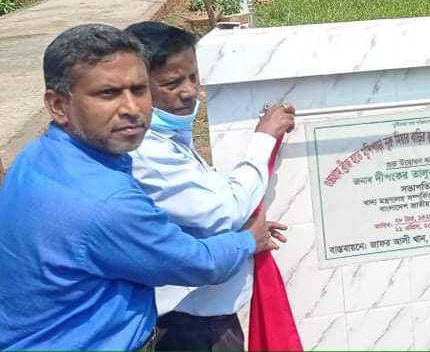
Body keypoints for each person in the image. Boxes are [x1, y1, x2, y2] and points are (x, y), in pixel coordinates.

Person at [0, 24, 278, 350]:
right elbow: (199, 263)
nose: (132, 109)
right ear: (59, 105)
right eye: (108, 94)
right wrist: (248, 239)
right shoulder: (107, 202)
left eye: (139, 89)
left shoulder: (36, 157)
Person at [125, 21, 294, 351]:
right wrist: (263, 140)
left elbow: (199, 207)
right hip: (186, 325)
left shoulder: (169, 137)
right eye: (172, 83)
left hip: (205, 318)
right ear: (138, 88)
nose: (189, 91)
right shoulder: (147, 151)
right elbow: (223, 210)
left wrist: (239, 226)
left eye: (193, 78)